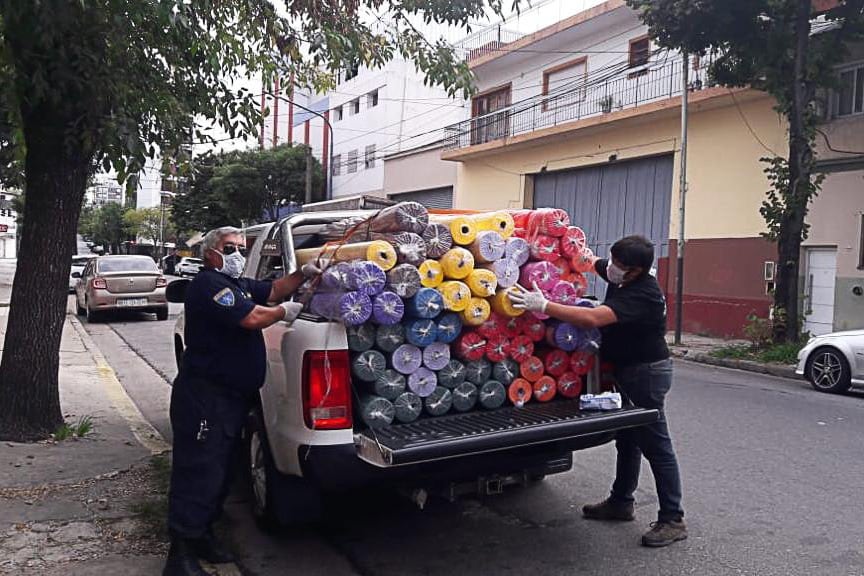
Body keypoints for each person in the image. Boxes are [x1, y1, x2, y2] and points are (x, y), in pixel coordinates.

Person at [508, 235, 686, 548]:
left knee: (656, 444)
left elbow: (593, 317)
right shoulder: (619, 272)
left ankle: (673, 518)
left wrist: (545, 305)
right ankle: (621, 502)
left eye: (619, 265)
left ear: (635, 270)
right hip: (626, 370)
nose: (612, 268)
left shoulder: (643, 293)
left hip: (646, 373)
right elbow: (591, 265)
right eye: (612, 260)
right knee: (628, 439)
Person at [163, 226, 308, 576]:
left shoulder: (236, 284)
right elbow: (252, 317)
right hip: (205, 399)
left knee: (222, 472)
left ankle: (203, 535)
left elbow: (273, 289)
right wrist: (285, 312)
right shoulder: (208, 285)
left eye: (242, 247)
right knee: (198, 472)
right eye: (230, 248)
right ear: (212, 253)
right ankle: (180, 554)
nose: (237, 254)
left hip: (229, 399)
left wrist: (305, 273)